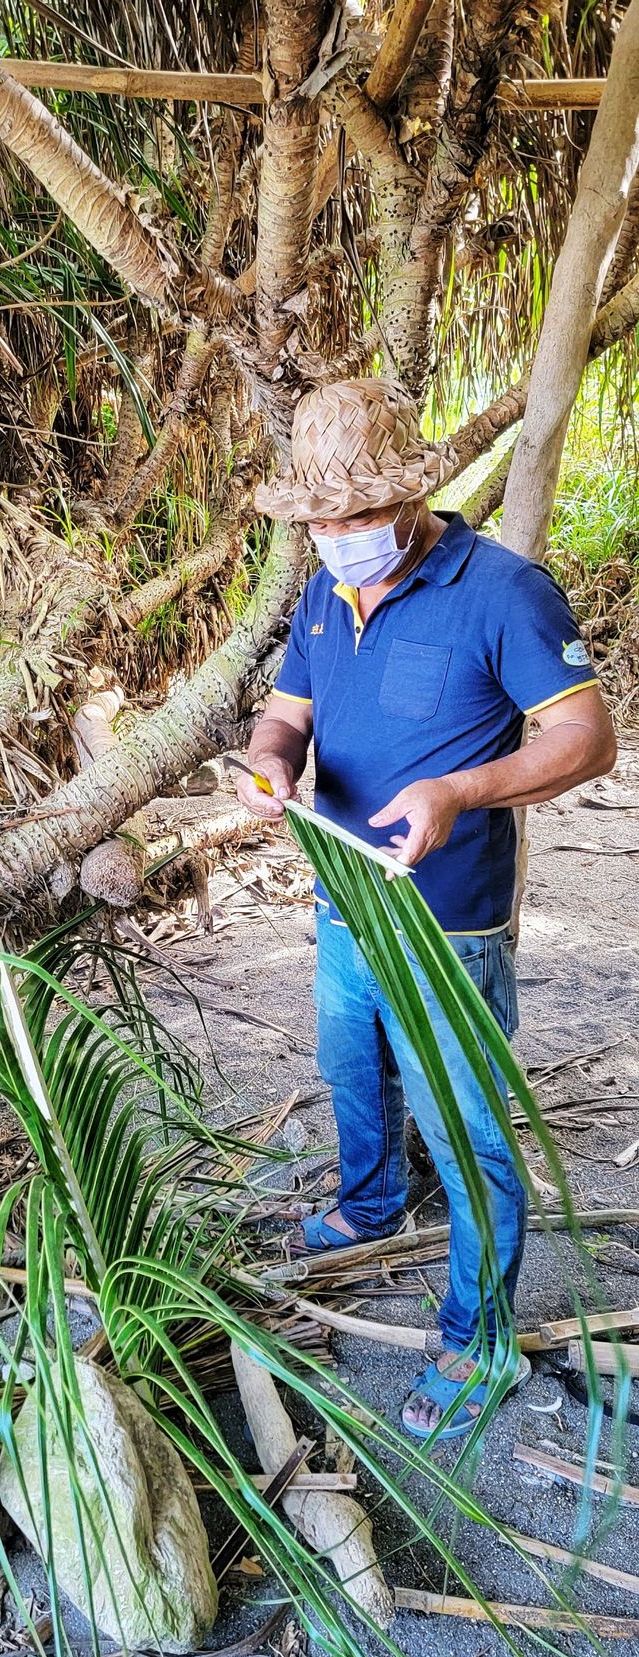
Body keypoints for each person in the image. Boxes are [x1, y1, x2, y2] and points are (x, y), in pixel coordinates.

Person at [239, 376, 617, 1440]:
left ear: (408, 499)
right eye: (318, 518)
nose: (336, 535)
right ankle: (368, 1203)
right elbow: (283, 722)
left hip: (448, 921)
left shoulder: (502, 591)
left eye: (354, 515)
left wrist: (461, 790)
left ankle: (479, 1334)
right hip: (341, 903)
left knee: (467, 1135)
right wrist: (268, 770)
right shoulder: (323, 596)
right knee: (350, 1066)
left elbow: (587, 740)